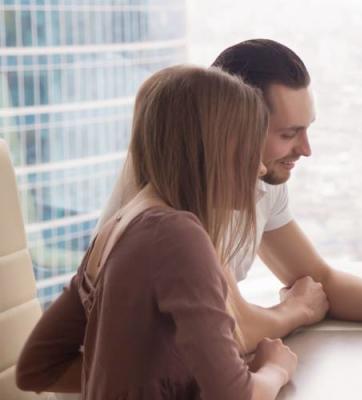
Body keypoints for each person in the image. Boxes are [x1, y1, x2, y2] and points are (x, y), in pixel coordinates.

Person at [98, 39, 362, 352]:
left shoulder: (262, 181)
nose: (306, 149)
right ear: (234, 129)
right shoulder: (185, 199)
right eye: (288, 134)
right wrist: (297, 311)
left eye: (306, 129)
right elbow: (236, 329)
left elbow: (316, 278)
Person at [17, 66, 297, 399]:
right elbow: (235, 396)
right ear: (217, 148)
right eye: (251, 149)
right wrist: (275, 368)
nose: (261, 167)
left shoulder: (117, 228)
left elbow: (36, 369)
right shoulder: (177, 236)